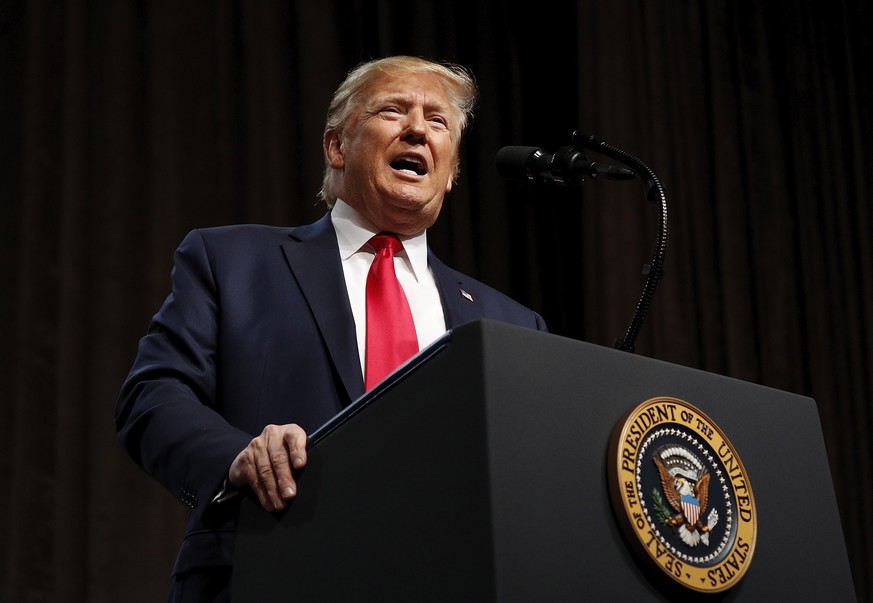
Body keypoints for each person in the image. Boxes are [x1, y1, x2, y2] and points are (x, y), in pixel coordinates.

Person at [115, 54, 548, 602]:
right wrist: (238, 456)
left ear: (451, 170)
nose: (418, 128)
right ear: (336, 147)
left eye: (438, 121)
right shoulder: (232, 261)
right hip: (269, 568)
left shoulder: (511, 323)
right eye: (393, 110)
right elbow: (152, 396)